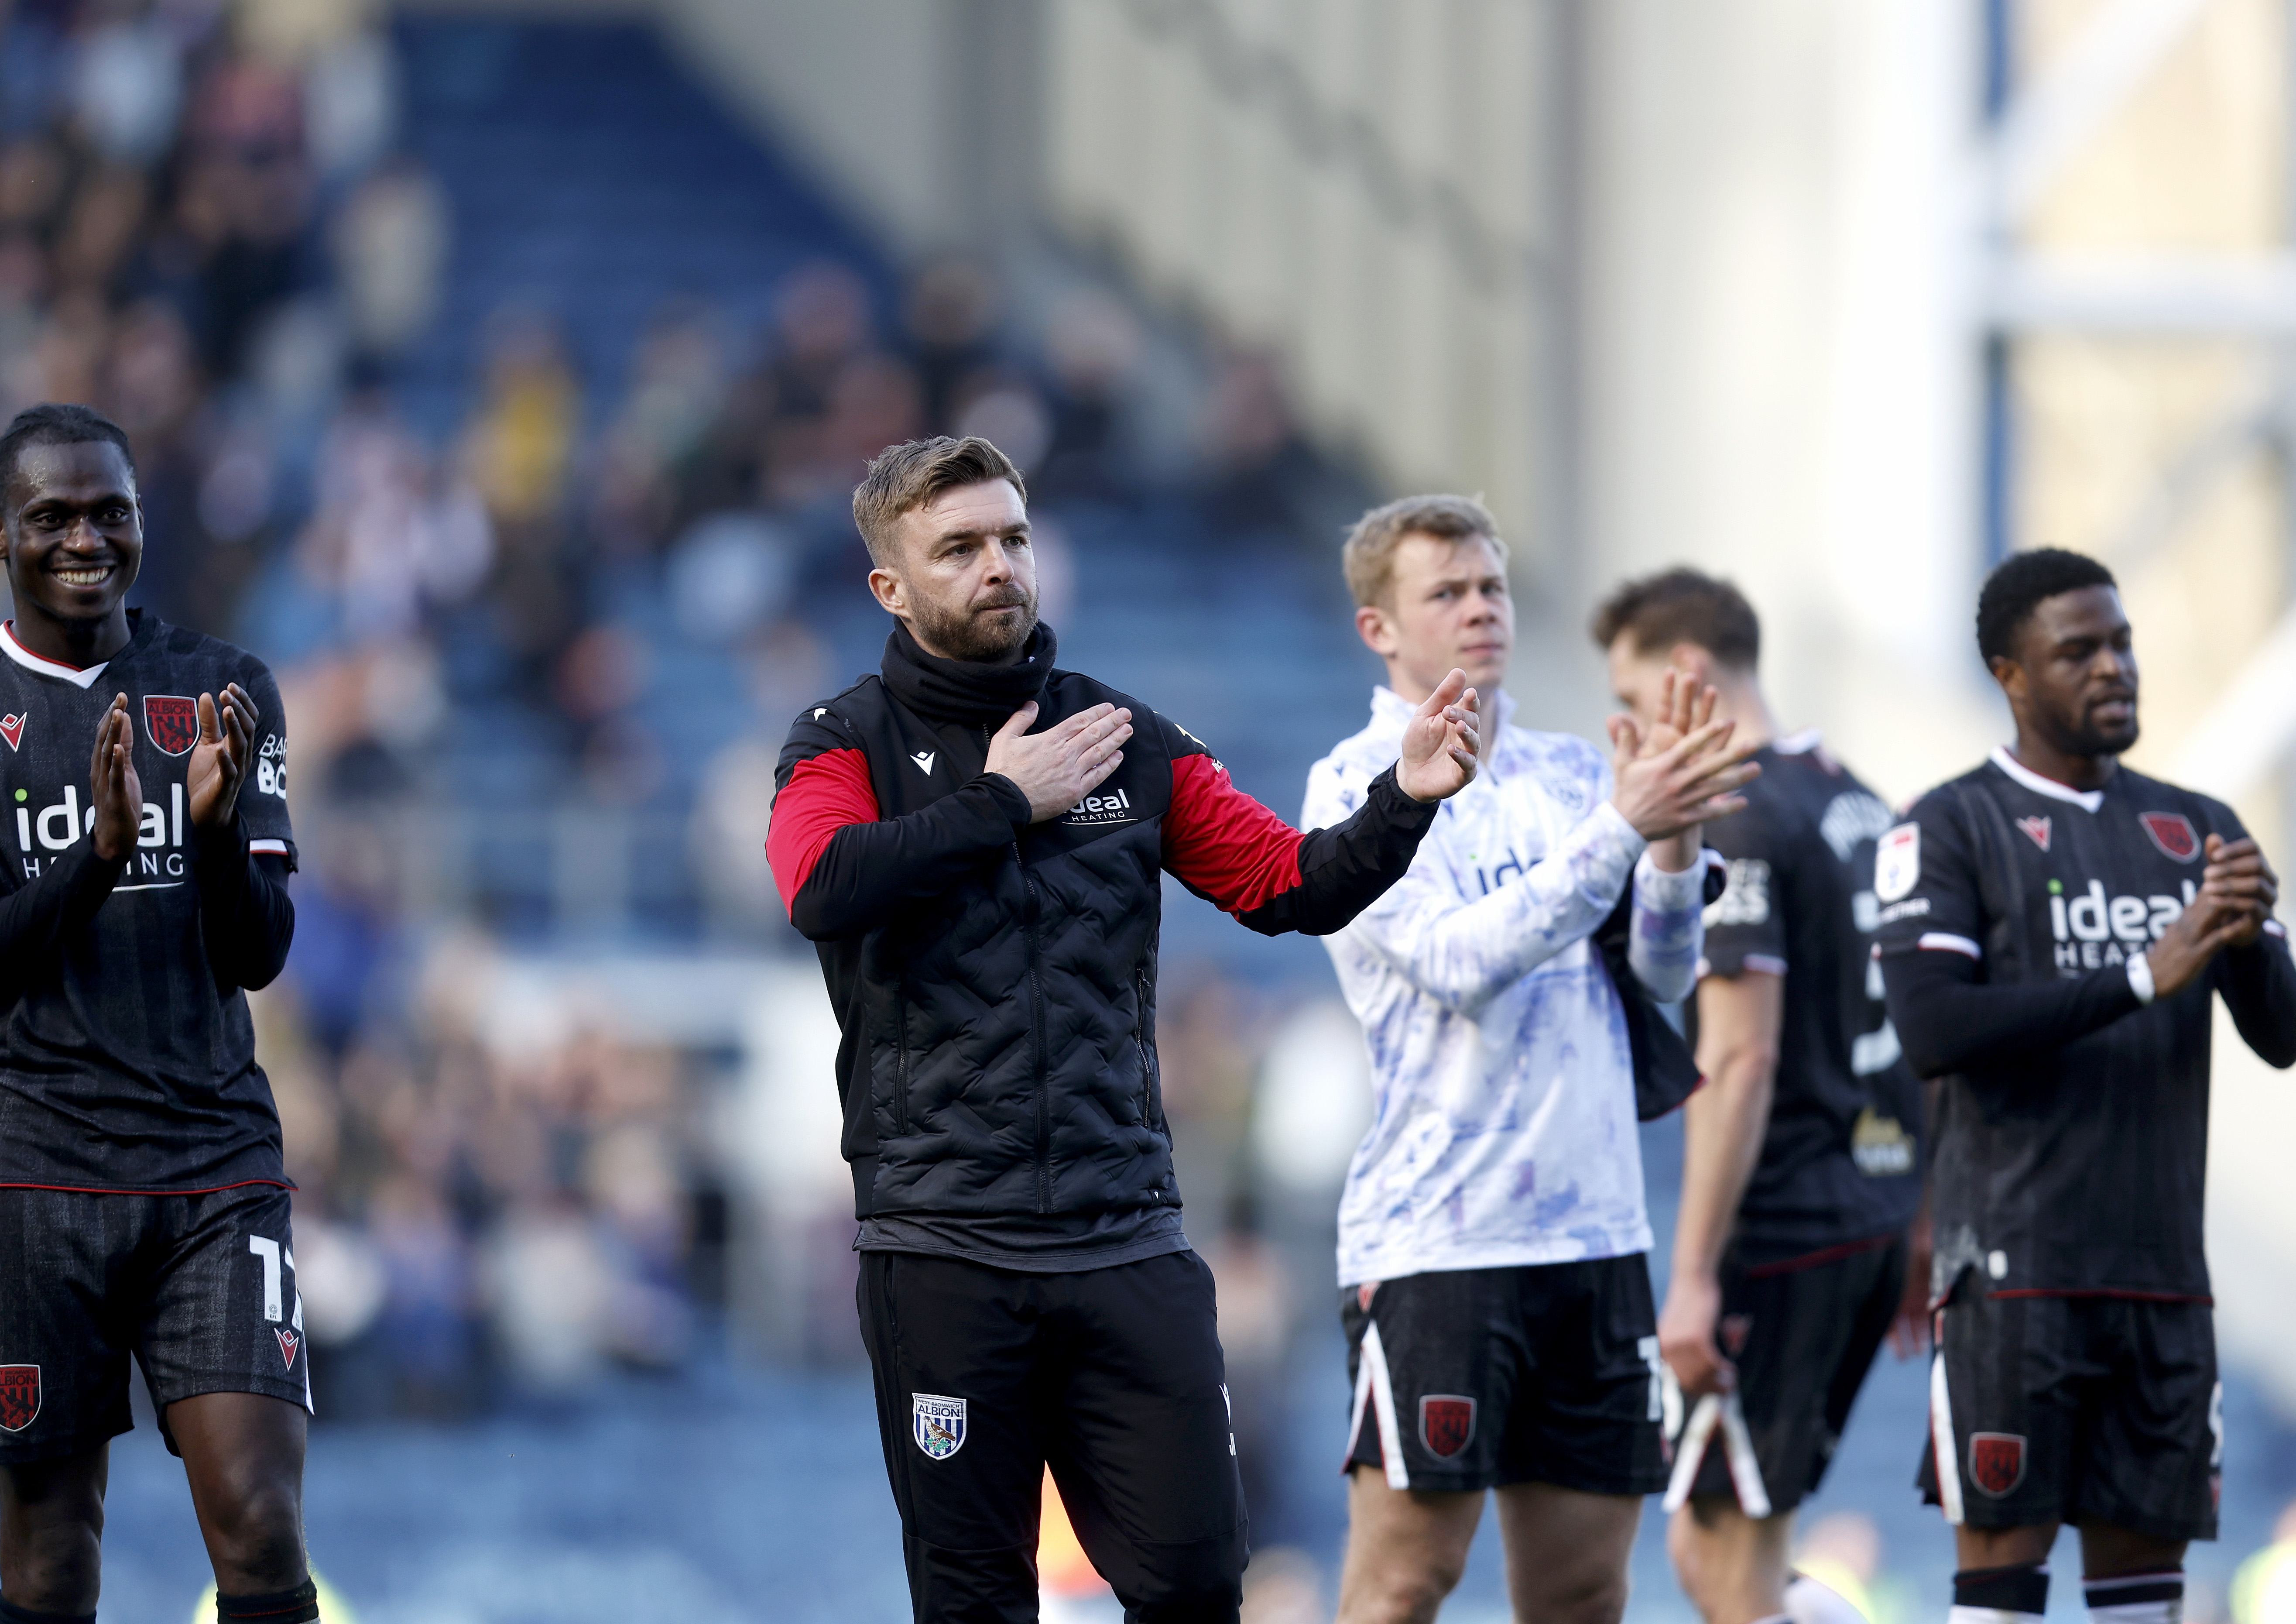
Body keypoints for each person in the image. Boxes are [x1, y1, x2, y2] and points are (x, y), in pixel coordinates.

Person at [764, 435, 1481, 1623]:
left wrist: (1401, 799)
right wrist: (1004, 800)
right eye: (958, 548)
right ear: (889, 585)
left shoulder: (1124, 738)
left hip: (1124, 1239)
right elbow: (818, 885)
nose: (998, 565)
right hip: (944, 1251)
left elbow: (1286, 884)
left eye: (1011, 537)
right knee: (973, 1603)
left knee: (1198, 1583)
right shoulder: (842, 743)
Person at [0, 404, 316, 1624]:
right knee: (52, 1559)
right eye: (54, 515)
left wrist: (212, 841)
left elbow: (261, 952)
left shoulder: (226, 688)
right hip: (33, 1177)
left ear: (140, 518)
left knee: (263, 1525)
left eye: (110, 512)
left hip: (214, 1166)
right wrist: (96, 862)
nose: (86, 538)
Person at [1302, 496, 1758, 1624]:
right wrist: (1624, 826)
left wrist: (1673, 843)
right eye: (1446, 592)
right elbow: (1460, 962)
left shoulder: (1574, 773)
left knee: (1582, 1594)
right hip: (1441, 1236)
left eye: (1492, 587)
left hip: (1596, 1234)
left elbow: (1662, 975)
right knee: (1403, 1585)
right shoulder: (1349, 785)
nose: (1481, 610)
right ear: (1377, 629)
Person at [1873, 549, 2296, 1624]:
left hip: (2164, 1281)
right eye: (2078, 651)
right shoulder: (1947, 824)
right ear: (2010, 674)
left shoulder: (2199, 826)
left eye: (2121, 643)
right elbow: (1933, 1028)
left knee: (2143, 1602)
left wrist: (2250, 942)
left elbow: (2282, 1037)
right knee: (2000, 1594)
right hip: (2016, 1276)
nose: (2113, 667)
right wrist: (2141, 974)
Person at [1594, 569, 1926, 1624]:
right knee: (1719, 1544)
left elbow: (1738, 1057)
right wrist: (1920, 1212)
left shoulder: (1733, 813)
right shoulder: (1860, 803)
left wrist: (1693, 1272)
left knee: (1726, 1560)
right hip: (1873, 1214)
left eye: (1634, 698)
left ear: (1688, 673)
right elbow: (1923, 1028)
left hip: (1783, 1228)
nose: (1629, 726)